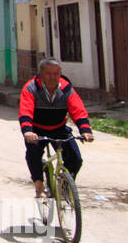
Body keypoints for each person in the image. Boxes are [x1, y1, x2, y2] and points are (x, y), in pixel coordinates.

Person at [19, 56, 93, 200]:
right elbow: (25, 111)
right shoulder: (31, 88)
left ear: (60, 73)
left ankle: (65, 187)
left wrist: (85, 131)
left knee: (76, 159)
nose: (53, 77)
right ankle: (39, 186)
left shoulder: (66, 88)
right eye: (48, 73)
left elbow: (78, 110)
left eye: (56, 73)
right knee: (33, 154)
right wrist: (28, 131)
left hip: (59, 128)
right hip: (37, 129)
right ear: (41, 74)